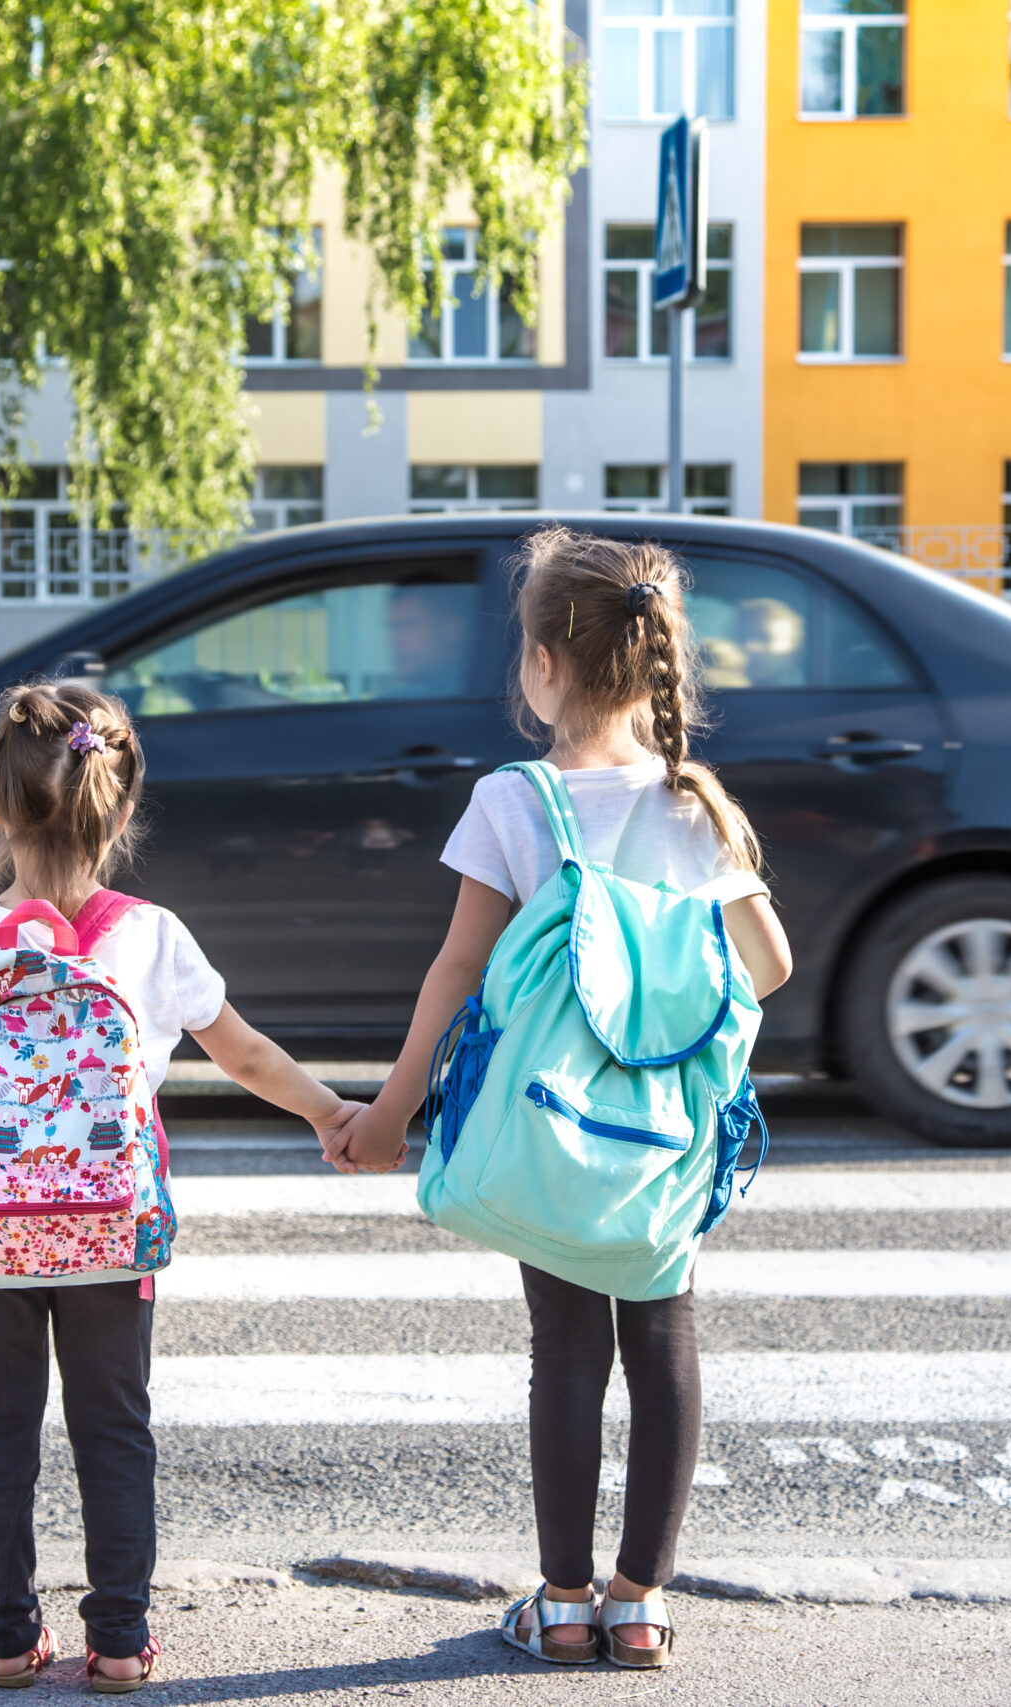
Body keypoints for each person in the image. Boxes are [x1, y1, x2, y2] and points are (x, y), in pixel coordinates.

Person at [331, 528, 792, 1668]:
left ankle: (565, 1598)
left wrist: (390, 1115)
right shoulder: (696, 803)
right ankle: (641, 1602)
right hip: (663, 1131)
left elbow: (456, 969)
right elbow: (770, 964)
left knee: (565, 1347)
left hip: (549, 1122)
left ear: (541, 664)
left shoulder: (513, 799)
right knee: (665, 1332)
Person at [0, 680, 363, 1692]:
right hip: (110, 1234)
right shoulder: (148, 936)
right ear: (119, 809)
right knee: (113, 1427)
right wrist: (330, 1113)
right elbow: (242, 1055)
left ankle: (9, 1640)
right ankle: (117, 1640)